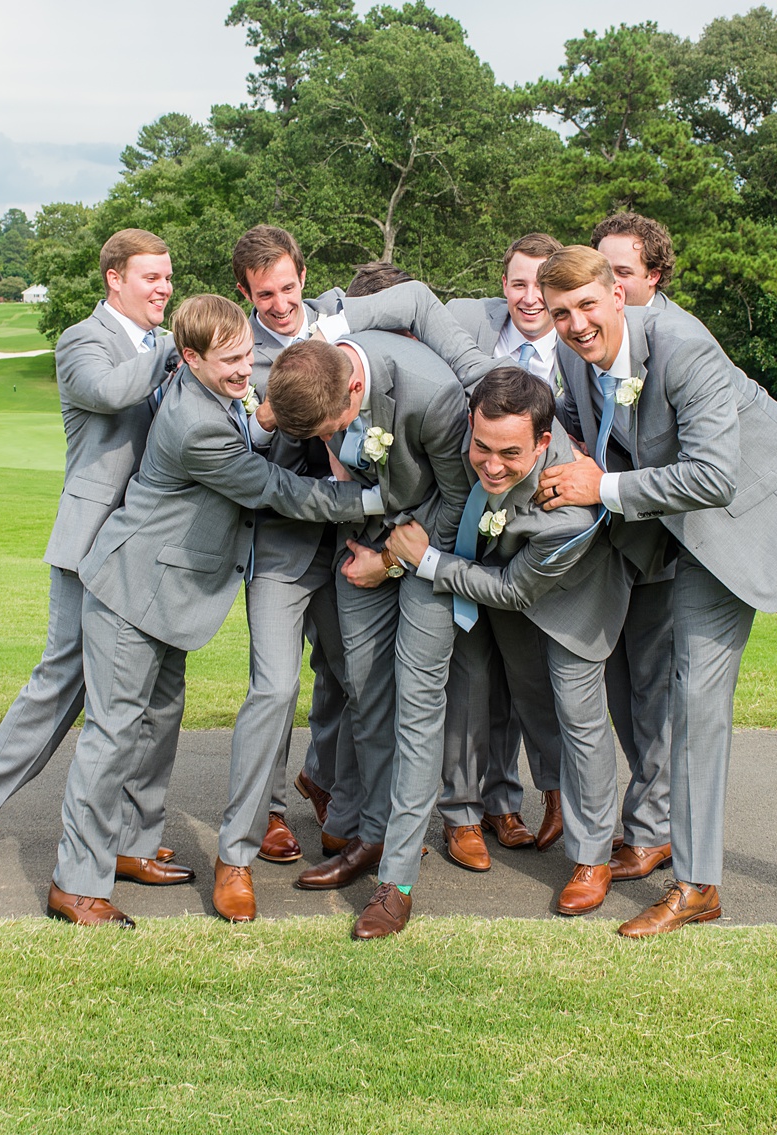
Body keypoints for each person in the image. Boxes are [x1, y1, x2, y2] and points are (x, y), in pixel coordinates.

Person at [531, 246, 777, 937]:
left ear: (618, 295)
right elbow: (582, 427)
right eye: (561, 313)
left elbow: (713, 475)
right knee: (693, 703)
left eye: (587, 305)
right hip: (705, 543)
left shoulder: (683, 347)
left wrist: (605, 488)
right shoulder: (568, 359)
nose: (575, 323)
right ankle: (697, 884)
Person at [47, 295, 379, 926]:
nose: (244, 369)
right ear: (191, 357)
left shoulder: (211, 391)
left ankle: (132, 846)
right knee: (113, 734)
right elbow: (272, 488)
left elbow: (249, 423)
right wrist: (363, 501)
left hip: (170, 591)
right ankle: (76, 882)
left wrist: (261, 410)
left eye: (247, 354)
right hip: (133, 586)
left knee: (158, 721)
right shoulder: (195, 424)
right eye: (229, 361)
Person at [0, 228, 184, 880]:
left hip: (155, 550)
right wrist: (174, 348)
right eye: (151, 277)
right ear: (115, 278)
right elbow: (110, 394)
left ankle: (132, 838)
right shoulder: (85, 340)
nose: (164, 287)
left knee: (160, 693)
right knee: (67, 678)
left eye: (168, 277)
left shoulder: (163, 349)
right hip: (92, 542)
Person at [384, 367, 631, 915]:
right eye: (482, 447)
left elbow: (516, 591)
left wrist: (426, 560)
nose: (492, 465)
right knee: (520, 695)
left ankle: (591, 857)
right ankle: (512, 804)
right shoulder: (475, 436)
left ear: (543, 444)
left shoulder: (568, 513)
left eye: (510, 455)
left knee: (577, 715)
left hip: (569, 597)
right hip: (497, 580)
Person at [263, 335, 478, 939]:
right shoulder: (315, 373)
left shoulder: (430, 398)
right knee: (362, 686)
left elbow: (458, 500)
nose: (332, 438)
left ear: (355, 388)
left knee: (415, 706)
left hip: (427, 551)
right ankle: (373, 836)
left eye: (335, 426)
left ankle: (398, 881)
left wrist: (391, 560)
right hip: (360, 545)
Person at [431, 234, 565, 860]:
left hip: (535, 537)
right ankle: (460, 811)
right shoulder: (467, 325)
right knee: (469, 677)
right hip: (465, 518)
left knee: (521, 679)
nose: (530, 297)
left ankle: (503, 801)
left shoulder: (579, 344)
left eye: (543, 285)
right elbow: (403, 302)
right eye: (517, 283)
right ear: (502, 284)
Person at [231, 225, 354, 863]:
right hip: (280, 544)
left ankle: (327, 783)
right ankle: (266, 814)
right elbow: (231, 451)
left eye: (286, 288)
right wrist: (263, 418)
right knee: (275, 687)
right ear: (246, 294)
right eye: (264, 296)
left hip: (351, 544)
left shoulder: (340, 327)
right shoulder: (239, 354)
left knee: (346, 673)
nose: (279, 304)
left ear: (303, 276)